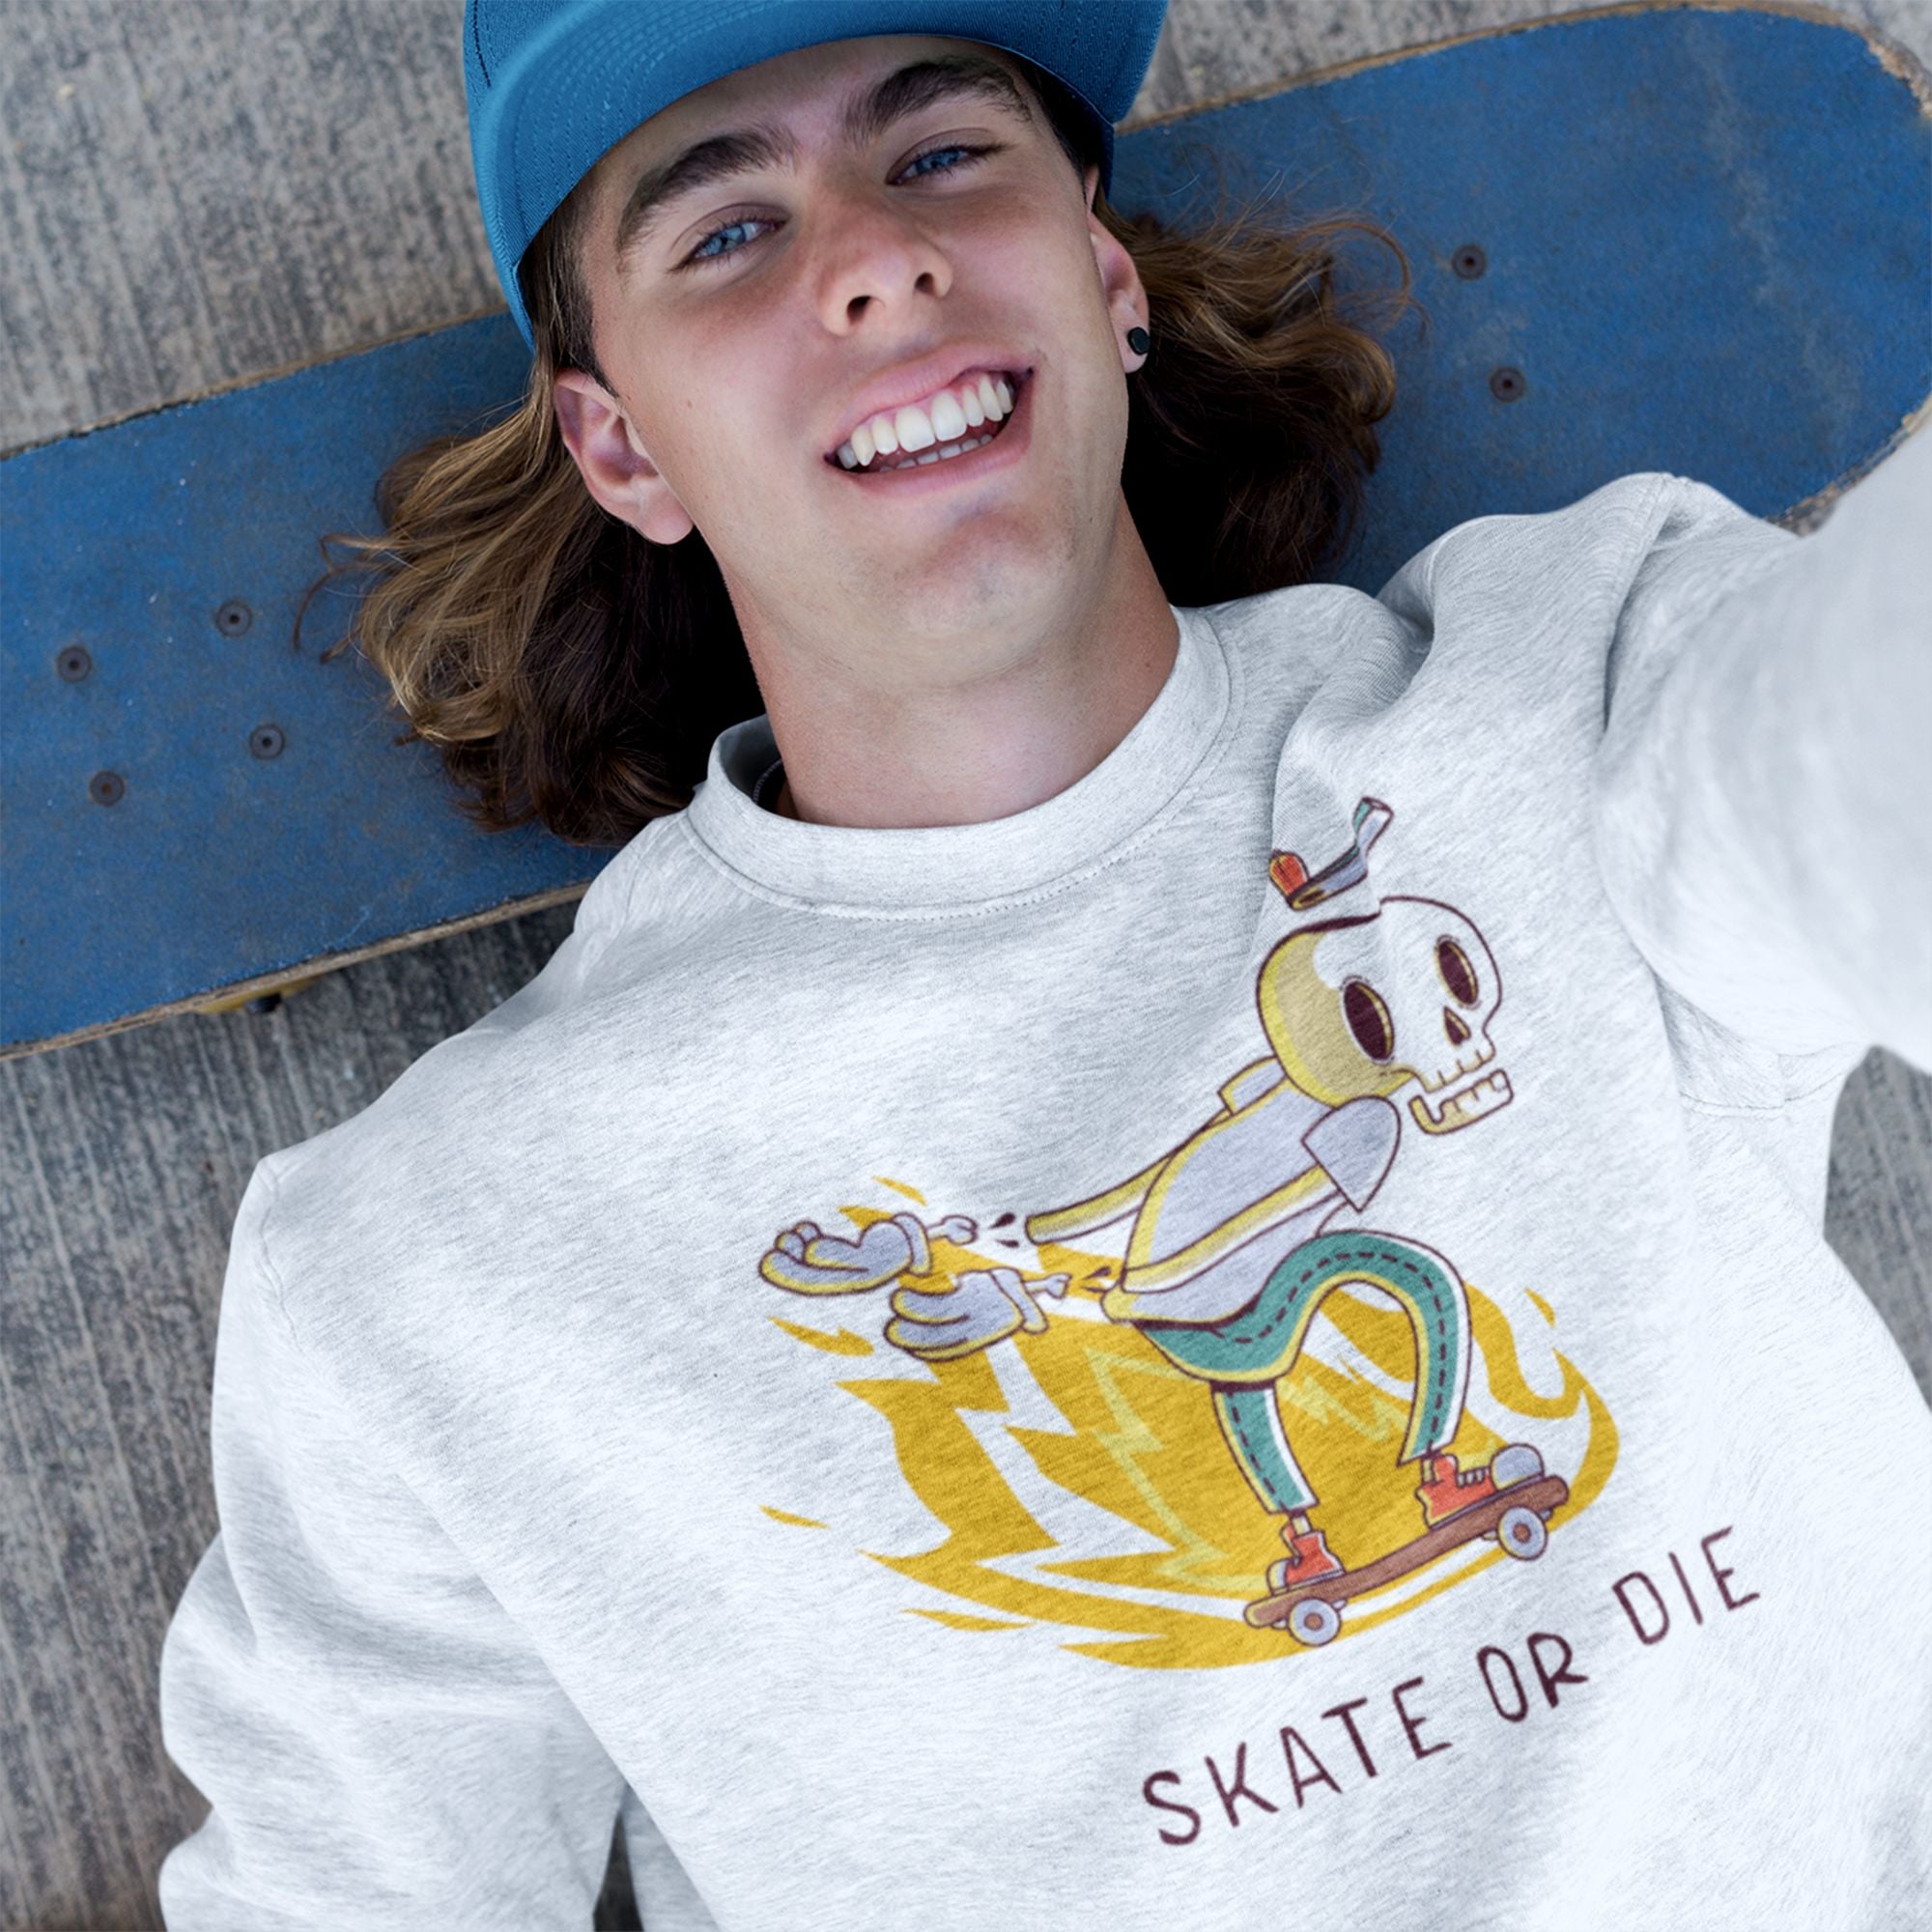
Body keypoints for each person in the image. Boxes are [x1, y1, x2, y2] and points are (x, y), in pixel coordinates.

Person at [157, 1, 1931, 1926]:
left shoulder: (1568, 682)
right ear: (622, 446)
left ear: (1104, 278)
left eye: (940, 155)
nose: (873, 258)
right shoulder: (431, 1262)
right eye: (727, 232)